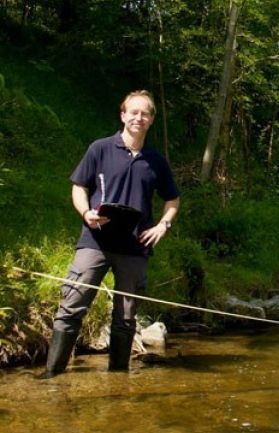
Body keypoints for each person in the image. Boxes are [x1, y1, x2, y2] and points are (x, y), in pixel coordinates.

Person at [43, 90, 180, 377]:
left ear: (151, 119)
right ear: (123, 115)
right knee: (71, 307)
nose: (138, 118)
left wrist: (162, 226)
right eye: (134, 112)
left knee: (126, 318)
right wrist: (86, 213)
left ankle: (118, 382)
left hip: (134, 247)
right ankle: (52, 376)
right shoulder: (100, 148)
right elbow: (79, 187)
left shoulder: (156, 160)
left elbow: (173, 199)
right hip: (94, 241)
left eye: (145, 113)